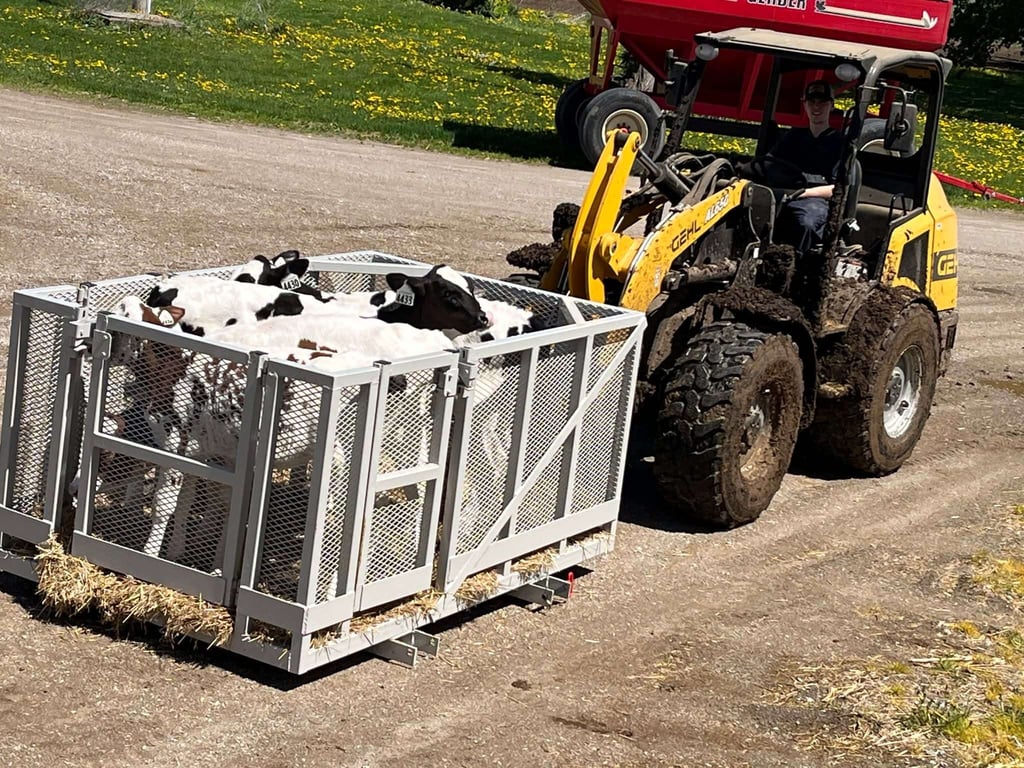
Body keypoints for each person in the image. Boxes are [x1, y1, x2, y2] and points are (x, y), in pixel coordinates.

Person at [768, 79, 844, 258]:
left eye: (822, 102)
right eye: (811, 102)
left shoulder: (840, 143)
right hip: (783, 193)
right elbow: (770, 163)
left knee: (806, 222)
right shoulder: (793, 136)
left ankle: (796, 265)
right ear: (805, 105)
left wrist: (803, 193)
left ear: (831, 106)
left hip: (815, 200)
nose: (816, 107)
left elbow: (838, 188)